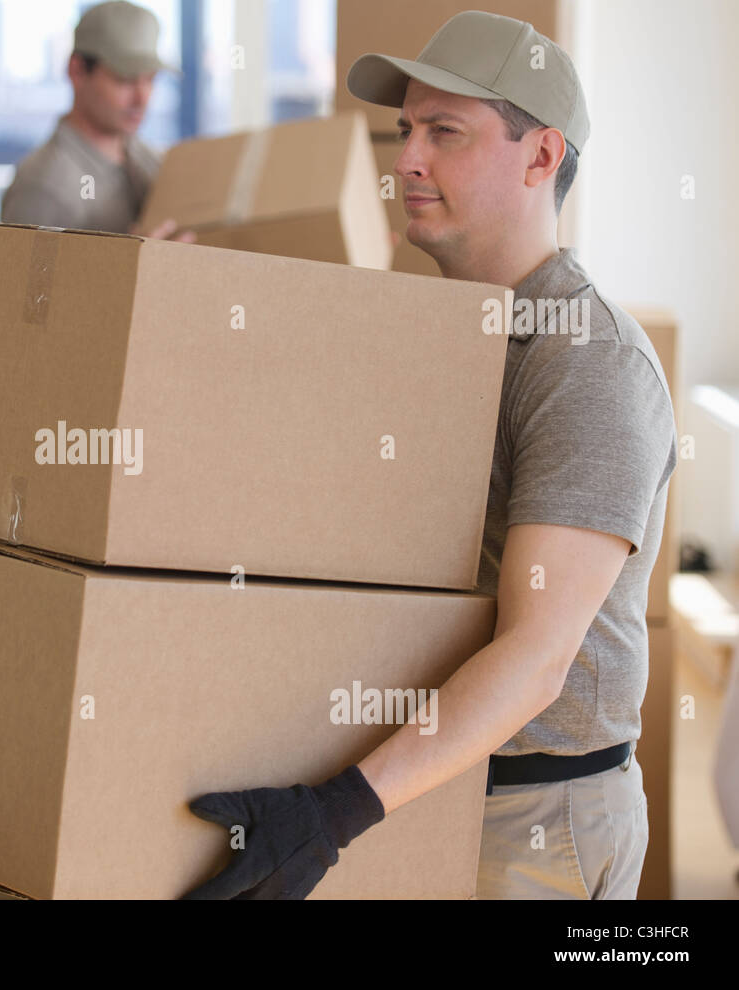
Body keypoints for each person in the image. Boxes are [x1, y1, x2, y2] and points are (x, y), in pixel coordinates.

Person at [184, 10, 677, 901]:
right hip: (420, 788)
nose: (406, 158)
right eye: (405, 129)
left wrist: (333, 815)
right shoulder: (433, 339)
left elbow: (536, 658)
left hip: (536, 822)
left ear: (540, 157)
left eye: (444, 132)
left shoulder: (587, 362)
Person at [1, 0, 189, 240]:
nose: (142, 98)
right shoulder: (41, 188)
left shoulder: (150, 163)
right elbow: (23, 278)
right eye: (125, 79)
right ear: (77, 71)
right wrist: (141, 263)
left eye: (151, 79)